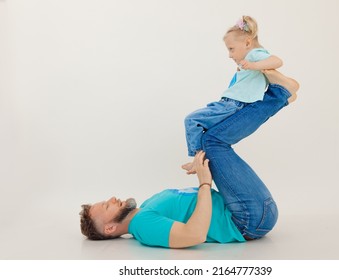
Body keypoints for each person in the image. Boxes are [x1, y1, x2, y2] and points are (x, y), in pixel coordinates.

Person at [79, 69, 299, 248]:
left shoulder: (145, 208)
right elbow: (194, 235)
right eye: (107, 206)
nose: (112, 198)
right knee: (212, 142)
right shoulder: (143, 226)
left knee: (210, 139)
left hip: (249, 210)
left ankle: (276, 97)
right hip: (247, 218)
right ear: (109, 229)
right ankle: (279, 96)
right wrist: (204, 183)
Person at [182, 15, 294, 174]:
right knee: (204, 130)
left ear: (247, 43)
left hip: (233, 104)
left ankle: (197, 160)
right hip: (229, 102)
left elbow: (277, 61)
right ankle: (199, 160)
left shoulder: (254, 55)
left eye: (231, 49)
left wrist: (254, 65)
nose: (229, 55)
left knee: (192, 120)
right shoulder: (246, 62)